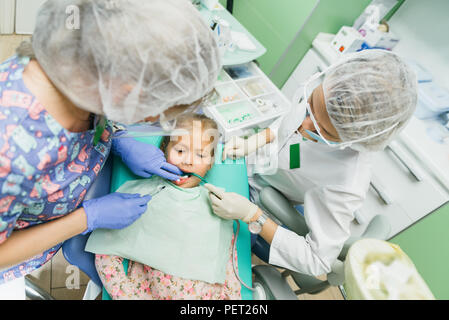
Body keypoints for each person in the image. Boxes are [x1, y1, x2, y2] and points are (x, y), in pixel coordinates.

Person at [0, 0, 221, 293]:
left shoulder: (86, 72)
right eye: (154, 113)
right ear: (128, 91)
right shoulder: (12, 152)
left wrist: (116, 139)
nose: (154, 123)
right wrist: (85, 219)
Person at [205, 50, 418, 277]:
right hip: (249, 168)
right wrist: (261, 138)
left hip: (262, 204)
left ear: (353, 139)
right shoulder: (331, 94)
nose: (304, 125)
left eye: (322, 131)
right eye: (310, 105)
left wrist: (252, 214)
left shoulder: (346, 181)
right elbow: (291, 126)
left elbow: (317, 261)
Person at [86, 114, 241, 300]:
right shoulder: (142, 196)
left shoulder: (219, 204)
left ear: (211, 162)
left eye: (201, 154)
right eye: (181, 151)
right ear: (163, 150)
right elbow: (105, 253)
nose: (188, 161)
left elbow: (228, 259)